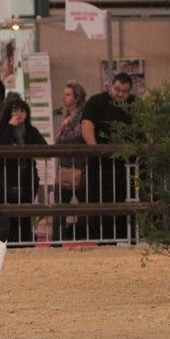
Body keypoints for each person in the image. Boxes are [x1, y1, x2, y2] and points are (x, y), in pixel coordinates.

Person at [81, 72, 135, 240]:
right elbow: (87, 124)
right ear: (111, 86)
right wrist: (94, 149)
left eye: (124, 91)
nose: (120, 94)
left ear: (129, 91)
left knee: (125, 202)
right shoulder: (96, 102)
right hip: (100, 165)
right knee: (100, 203)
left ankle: (124, 238)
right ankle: (102, 240)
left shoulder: (134, 104)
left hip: (125, 166)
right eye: (117, 89)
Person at [0, 98, 47, 243]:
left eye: (23, 110)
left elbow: (43, 146)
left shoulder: (30, 130)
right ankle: (8, 241)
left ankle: (26, 241)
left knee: (25, 212)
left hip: (27, 178)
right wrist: (10, 127)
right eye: (15, 110)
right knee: (7, 212)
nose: (19, 114)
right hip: (6, 178)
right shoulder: (2, 129)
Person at [55, 82, 87, 239]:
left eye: (68, 94)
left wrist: (64, 128)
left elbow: (75, 137)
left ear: (77, 98)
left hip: (78, 166)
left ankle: (86, 237)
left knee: (84, 206)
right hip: (65, 165)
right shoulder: (66, 115)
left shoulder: (80, 115)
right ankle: (57, 239)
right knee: (59, 207)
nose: (64, 97)